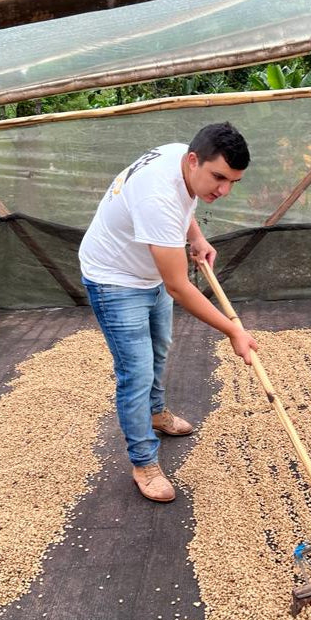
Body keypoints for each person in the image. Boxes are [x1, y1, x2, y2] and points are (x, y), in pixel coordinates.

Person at [79, 122, 257, 503]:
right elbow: (179, 286)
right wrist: (233, 331)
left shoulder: (183, 157)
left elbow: (184, 203)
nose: (223, 190)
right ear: (194, 160)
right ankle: (143, 461)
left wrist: (195, 237)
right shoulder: (156, 196)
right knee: (136, 372)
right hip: (114, 278)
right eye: (219, 178)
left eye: (233, 182)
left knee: (160, 347)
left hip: (148, 271)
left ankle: (156, 413)